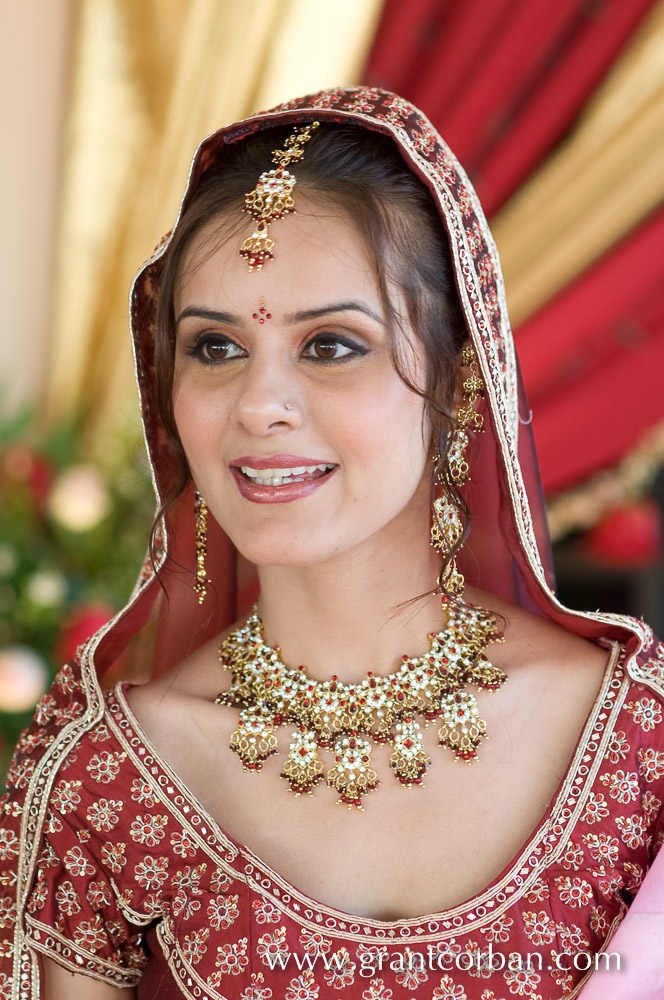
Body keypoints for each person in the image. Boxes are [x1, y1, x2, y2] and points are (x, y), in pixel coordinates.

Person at [1, 87, 663, 1000]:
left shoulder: (636, 740)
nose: (259, 406)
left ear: (458, 381)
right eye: (216, 349)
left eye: (331, 345)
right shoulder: (114, 778)